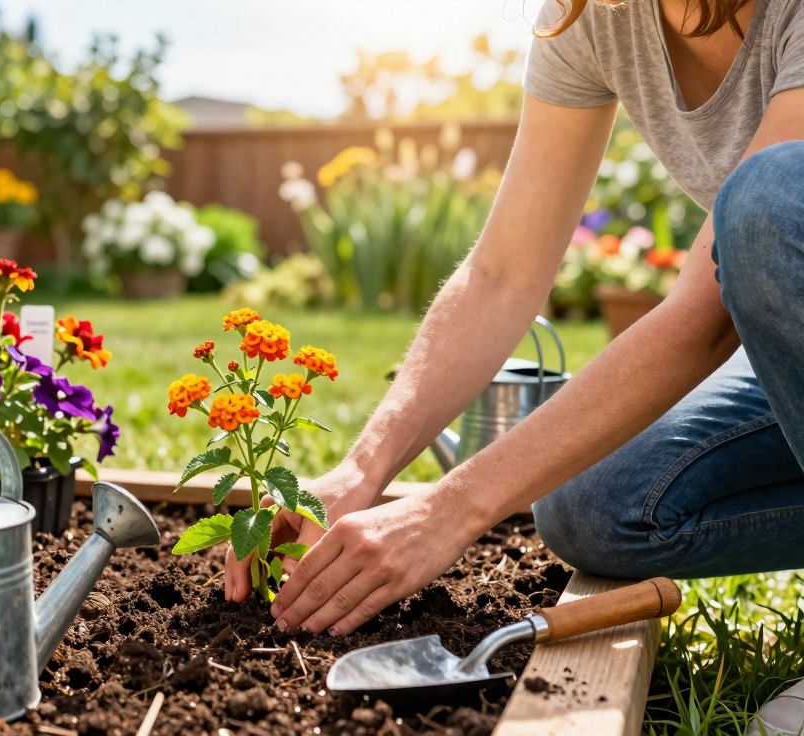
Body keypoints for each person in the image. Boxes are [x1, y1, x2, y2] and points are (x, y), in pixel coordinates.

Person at [225, 0, 804, 639]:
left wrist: (447, 510)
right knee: (593, 505)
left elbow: (705, 315)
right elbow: (503, 273)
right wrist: (360, 471)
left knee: (765, 201)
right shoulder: (596, 14)